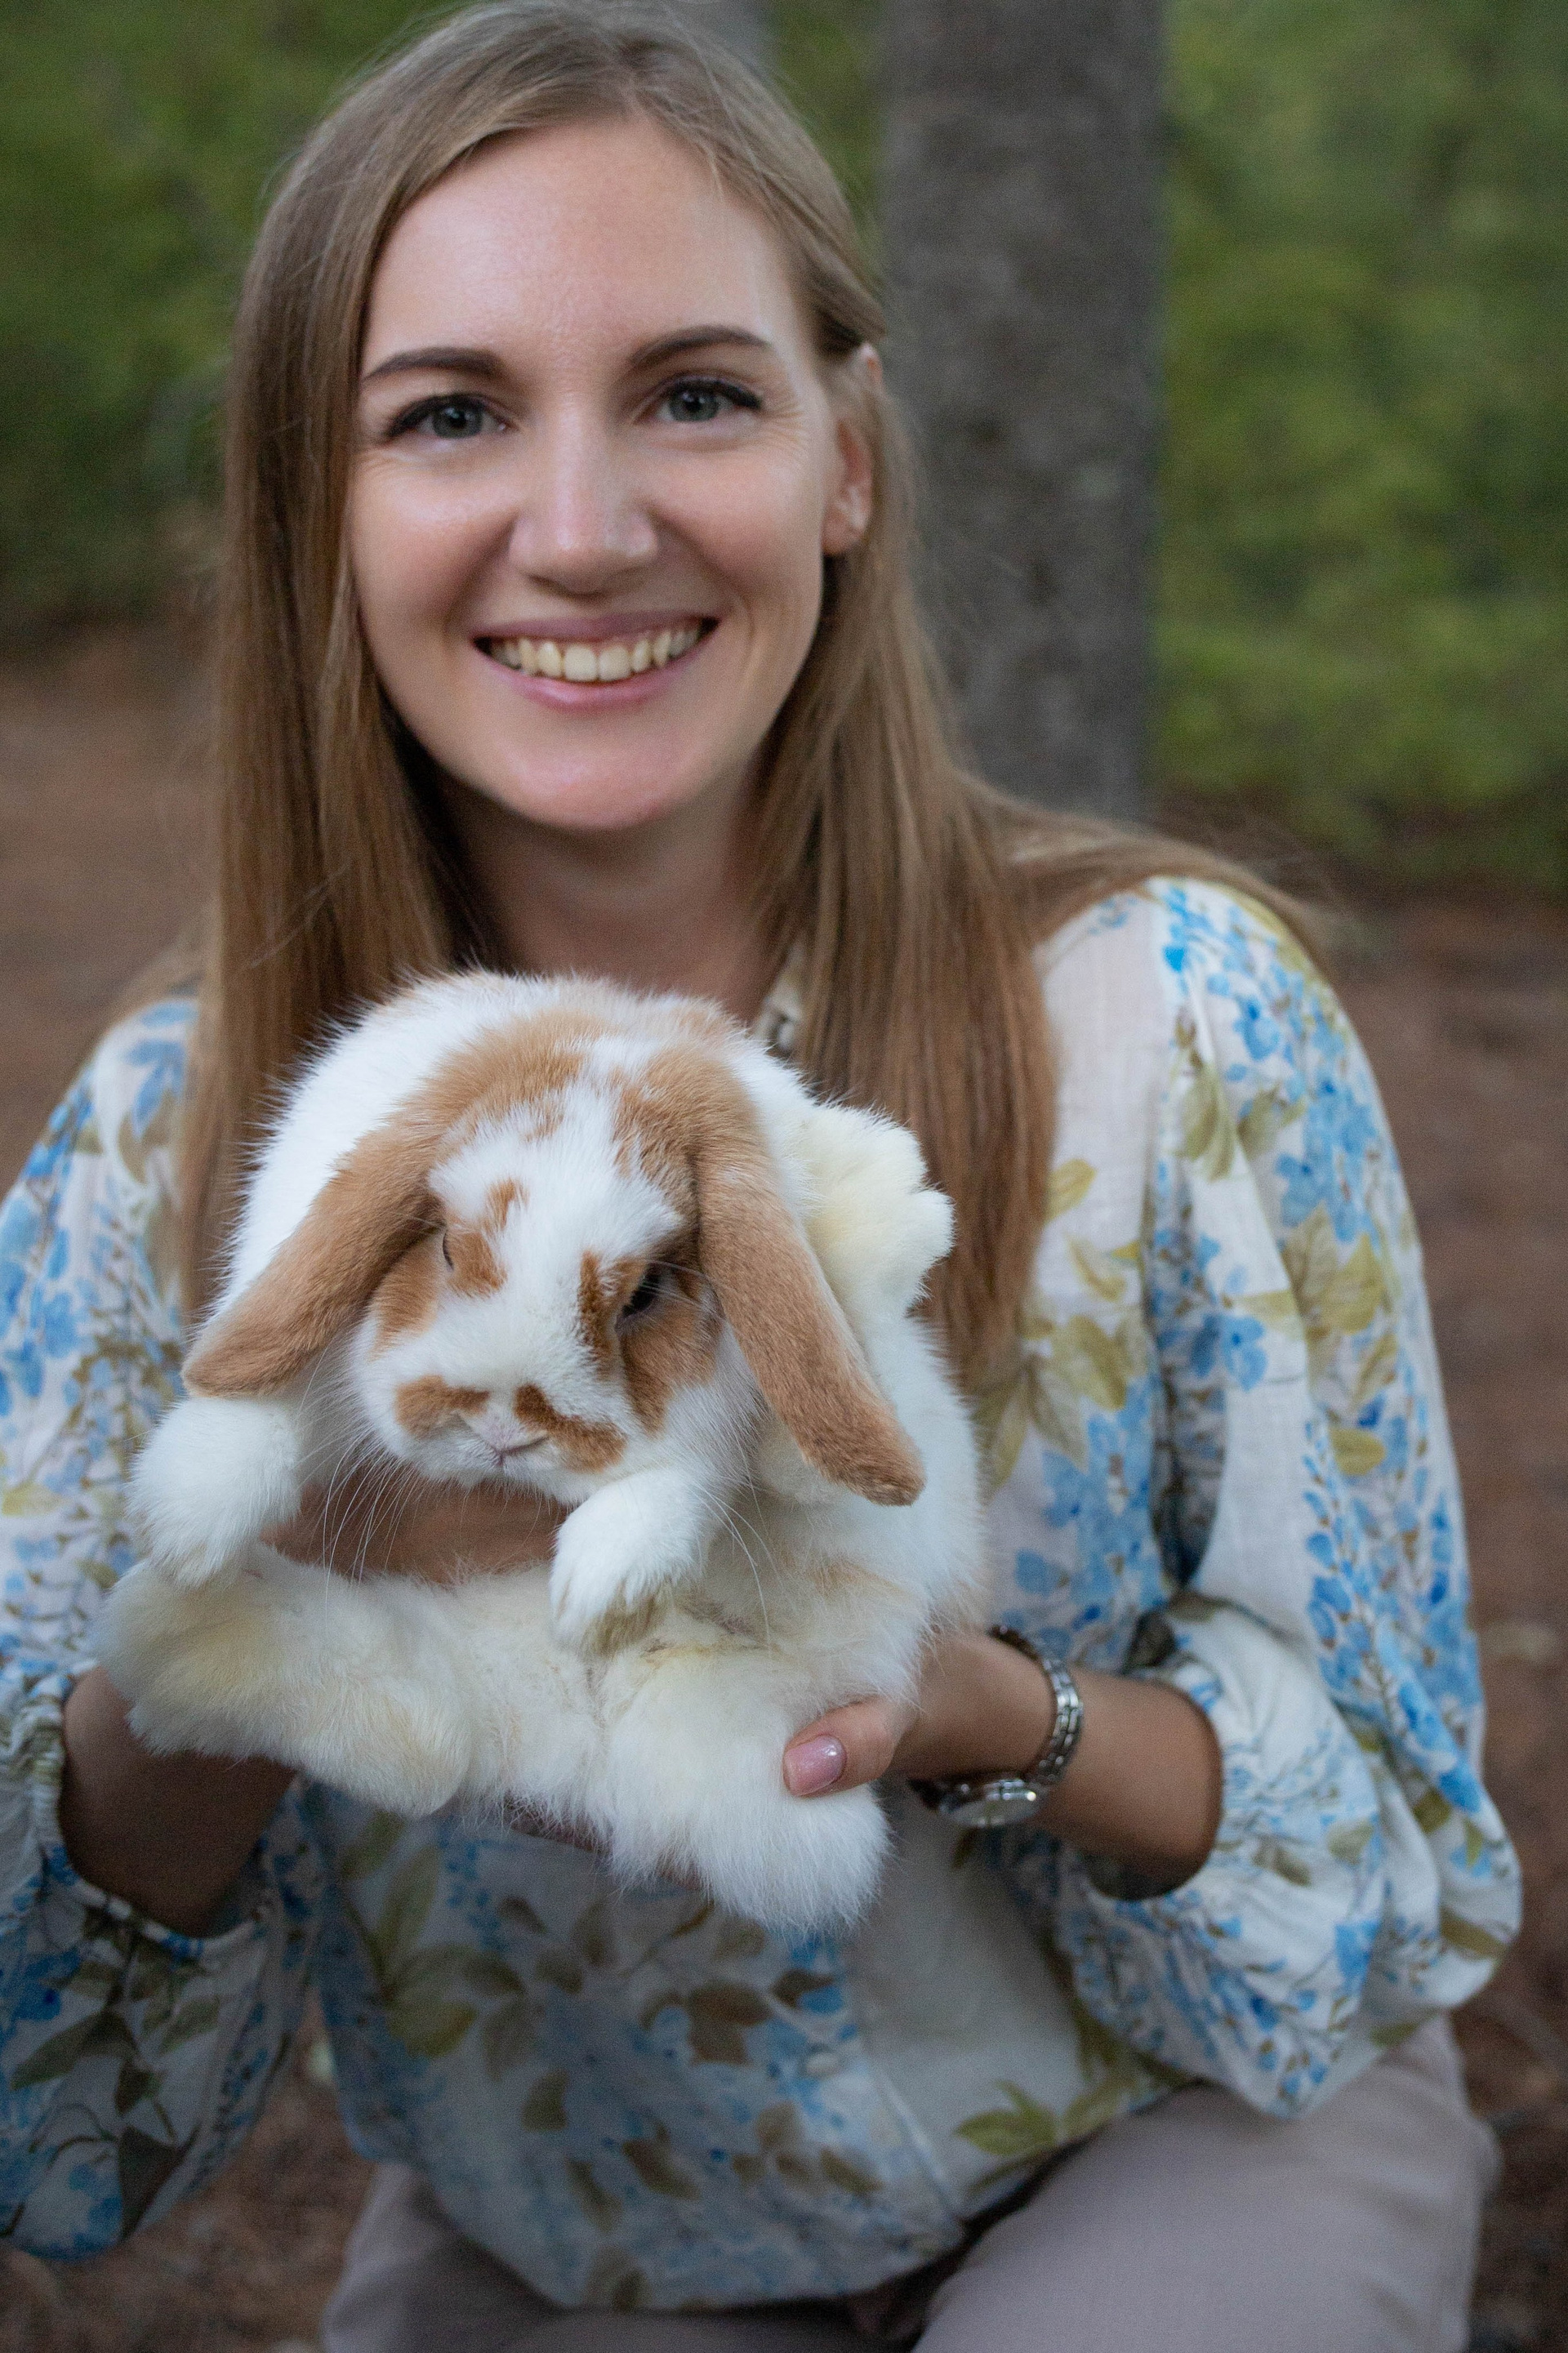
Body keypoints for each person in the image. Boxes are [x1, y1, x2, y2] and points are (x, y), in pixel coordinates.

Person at [0, 7, 1519, 2346]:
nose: (584, 528)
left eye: (696, 395)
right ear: (320, 508)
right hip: (581, 2228)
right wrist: (254, 1613)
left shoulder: (1177, 1024)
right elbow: (59, 2129)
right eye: (450, 415)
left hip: (1189, 2123)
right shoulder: (173, 1154)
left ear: (848, 460)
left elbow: (1398, 1887)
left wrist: (984, 1715)